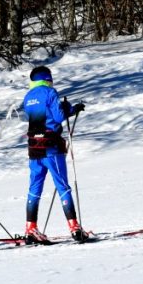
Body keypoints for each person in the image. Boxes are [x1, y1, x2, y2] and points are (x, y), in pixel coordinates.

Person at [21, 65, 89, 243]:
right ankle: (74, 227)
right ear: (47, 79)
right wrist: (70, 109)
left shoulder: (28, 96)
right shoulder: (50, 92)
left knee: (34, 187)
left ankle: (30, 228)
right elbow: (58, 118)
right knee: (62, 185)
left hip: (34, 147)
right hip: (51, 146)